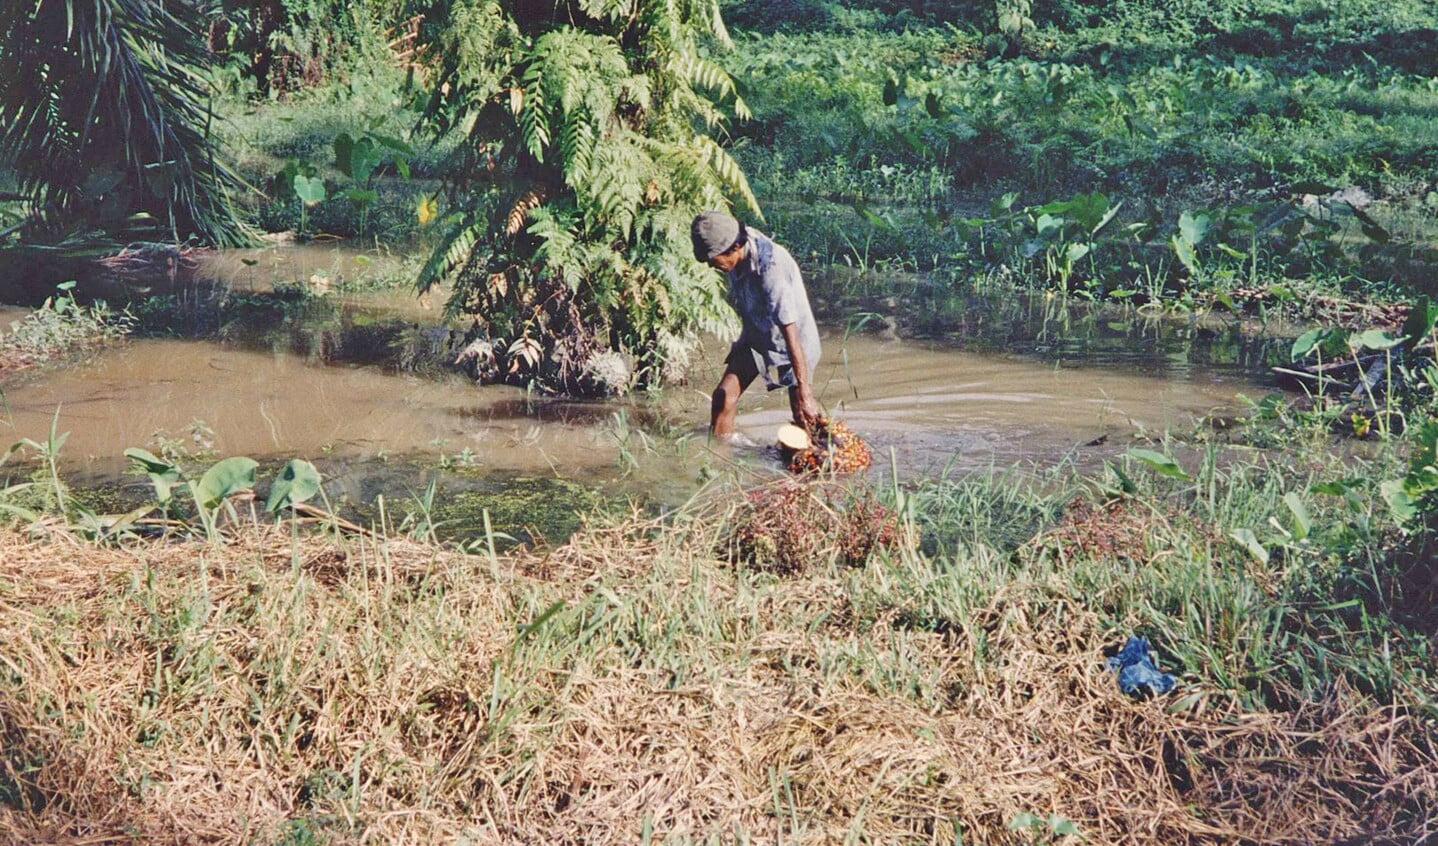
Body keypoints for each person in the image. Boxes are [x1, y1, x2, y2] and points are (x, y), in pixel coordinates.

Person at [691, 210, 822, 440]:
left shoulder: (771, 268)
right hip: (756, 333)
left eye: (714, 260)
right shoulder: (735, 242)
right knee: (723, 396)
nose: (712, 266)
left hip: (793, 342)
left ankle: (821, 461)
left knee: (803, 415)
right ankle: (718, 457)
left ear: (734, 248)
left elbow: (790, 331)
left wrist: (805, 391)